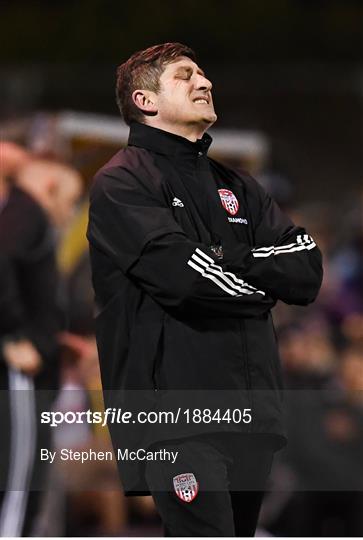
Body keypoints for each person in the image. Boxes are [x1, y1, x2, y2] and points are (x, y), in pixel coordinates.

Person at [87, 43, 323, 537]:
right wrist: (262, 282)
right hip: (178, 416)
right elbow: (185, 278)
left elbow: (306, 267)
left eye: (204, 73)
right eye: (185, 75)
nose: (205, 82)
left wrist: (224, 259)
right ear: (145, 101)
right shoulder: (122, 181)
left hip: (254, 413)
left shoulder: (239, 184)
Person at [0, 147, 82, 536]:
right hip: (19, 380)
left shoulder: (20, 214)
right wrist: (15, 335)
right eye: (69, 203)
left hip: (28, 374)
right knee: (18, 486)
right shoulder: (26, 214)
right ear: (49, 187)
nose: (69, 216)